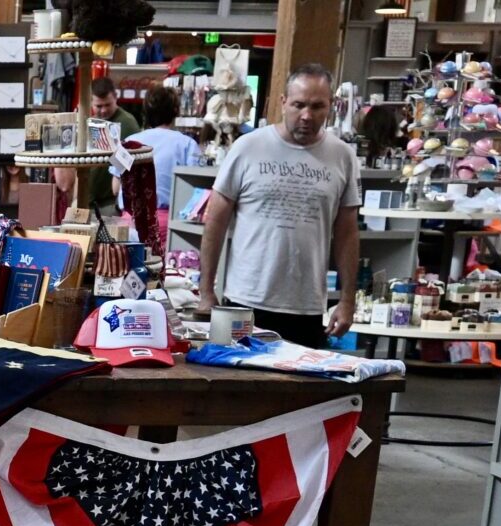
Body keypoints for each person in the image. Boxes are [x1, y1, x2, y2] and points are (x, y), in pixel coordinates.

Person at [196, 63, 359, 350]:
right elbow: (216, 222)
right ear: (283, 103)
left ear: (331, 106)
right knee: (235, 387)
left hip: (306, 307)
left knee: (302, 394)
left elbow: (347, 232)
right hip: (245, 301)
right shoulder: (248, 148)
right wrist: (206, 292)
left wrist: (347, 301)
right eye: (298, 105)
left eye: (317, 106)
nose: (307, 115)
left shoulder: (342, 156)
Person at [123, 84, 202, 237]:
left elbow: (115, 187)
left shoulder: (129, 142)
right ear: (175, 111)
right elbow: (196, 189)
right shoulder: (187, 144)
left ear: (146, 111)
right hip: (167, 223)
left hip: (129, 223)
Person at [69, 77, 141, 215]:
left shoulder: (127, 123)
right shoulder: (90, 121)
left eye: (107, 105)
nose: (103, 110)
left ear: (115, 98)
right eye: (98, 106)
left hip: (109, 203)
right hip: (86, 201)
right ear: (90, 102)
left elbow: (130, 163)